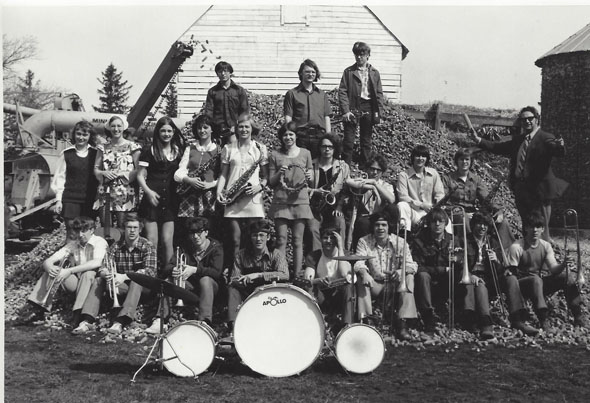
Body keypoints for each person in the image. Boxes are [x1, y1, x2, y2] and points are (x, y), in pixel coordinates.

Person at [470, 106, 568, 242]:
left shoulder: (546, 138)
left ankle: (546, 258)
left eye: (530, 119)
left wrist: (560, 146)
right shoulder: (518, 140)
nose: (527, 122)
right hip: (522, 189)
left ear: (537, 119)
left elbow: (557, 151)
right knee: (527, 227)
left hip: (539, 191)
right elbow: (498, 148)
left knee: (541, 230)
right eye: (523, 119)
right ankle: (528, 257)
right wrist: (479, 140)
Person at [72, 213, 158, 335]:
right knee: (98, 280)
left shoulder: (147, 246)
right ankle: (87, 320)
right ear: (124, 228)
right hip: (121, 286)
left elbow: (150, 271)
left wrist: (125, 276)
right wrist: (105, 273)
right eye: (129, 227)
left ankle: (120, 321)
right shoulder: (116, 246)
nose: (132, 231)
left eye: (135, 228)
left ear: (140, 229)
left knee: (137, 279)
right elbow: (103, 266)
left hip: (144, 288)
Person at [505, 213, 585, 331]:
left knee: (565, 276)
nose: (535, 230)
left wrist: (563, 264)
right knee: (536, 280)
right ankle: (543, 318)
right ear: (526, 228)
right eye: (532, 226)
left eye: (538, 227)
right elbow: (511, 275)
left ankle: (578, 314)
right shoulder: (517, 247)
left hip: (538, 284)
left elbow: (553, 269)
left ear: (543, 229)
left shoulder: (545, 246)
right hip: (522, 286)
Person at [23, 217, 108, 326]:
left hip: (96, 285)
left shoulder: (99, 241)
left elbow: (96, 263)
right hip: (78, 284)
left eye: (84, 231)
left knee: (88, 273)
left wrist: (69, 271)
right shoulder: (74, 244)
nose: (80, 234)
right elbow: (49, 260)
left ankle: (78, 312)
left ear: (91, 230)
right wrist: (49, 267)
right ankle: (39, 306)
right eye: (78, 231)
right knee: (54, 270)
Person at [465, 212, 539, 336]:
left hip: (490, 277)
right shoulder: (465, 240)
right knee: (481, 285)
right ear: (473, 225)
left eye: (485, 225)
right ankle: (486, 324)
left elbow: (500, 269)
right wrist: (469, 274)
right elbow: (459, 264)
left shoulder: (493, 241)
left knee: (511, 279)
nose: (482, 227)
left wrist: (496, 261)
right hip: (474, 278)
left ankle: (518, 319)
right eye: (479, 224)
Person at [148, 217, 224, 333]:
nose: (196, 236)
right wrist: (174, 270)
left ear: (206, 232)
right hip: (190, 287)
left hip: (210, 288)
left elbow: (217, 273)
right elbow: (167, 267)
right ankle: (160, 319)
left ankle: (204, 322)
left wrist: (195, 270)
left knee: (206, 280)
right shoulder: (185, 247)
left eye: (199, 232)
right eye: (192, 233)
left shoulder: (216, 248)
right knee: (169, 280)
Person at [216, 114, 269, 269]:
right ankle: (235, 271)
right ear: (236, 129)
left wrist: (259, 187)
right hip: (233, 198)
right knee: (235, 240)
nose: (244, 129)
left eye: (247, 126)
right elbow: (224, 174)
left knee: (255, 239)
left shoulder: (260, 148)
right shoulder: (228, 149)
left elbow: (266, 177)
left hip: (253, 198)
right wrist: (219, 192)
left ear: (252, 129)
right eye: (241, 126)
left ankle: (254, 270)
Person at [354, 211, 417, 340]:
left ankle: (403, 323)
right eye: (377, 225)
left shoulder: (400, 241)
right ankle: (367, 321)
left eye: (384, 225)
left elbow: (412, 265)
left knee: (409, 277)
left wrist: (400, 272)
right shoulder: (364, 241)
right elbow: (358, 261)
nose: (380, 228)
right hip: (375, 283)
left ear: (389, 227)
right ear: (373, 226)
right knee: (361, 279)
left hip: (395, 284)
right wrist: (365, 273)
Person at [136, 116, 186, 273]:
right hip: (152, 199)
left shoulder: (178, 151)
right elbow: (139, 175)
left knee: (167, 240)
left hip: (170, 200)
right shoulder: (148, 150)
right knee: (152, 241)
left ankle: (169, 274)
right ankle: (152, 274)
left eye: (169, 131)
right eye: (163, 130)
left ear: (173, 132)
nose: (166, 134)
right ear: (157, 132)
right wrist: (148, 192)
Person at [442, 148, 515, 250]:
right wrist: (461, 212)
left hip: (473, 214)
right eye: (461, 159)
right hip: (455, 213)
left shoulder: (476, 180)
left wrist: (498, 211)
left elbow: (486, 198)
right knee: (462, 216)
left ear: (471, 161)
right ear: (456, 161)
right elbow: (443, 202)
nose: (464, 162)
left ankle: (509, 254)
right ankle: (471, 250)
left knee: (502, 222)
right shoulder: (447, 178)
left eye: (467, 159)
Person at [268, 122, 314, 277]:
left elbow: (311, 179)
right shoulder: (275, 155)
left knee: (297, 240)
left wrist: (309, 175)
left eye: (291, 134)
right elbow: (271, 182)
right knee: (281, 240)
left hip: (300, 201)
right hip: (281, 202)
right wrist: (278, 173)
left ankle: (296, 276)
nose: (288, 137)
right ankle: (281, 274)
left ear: (296, 136)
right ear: (281, 137)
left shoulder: (306, 153)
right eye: (285, 135)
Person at [226, 220, 289, 331]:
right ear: (250, 238)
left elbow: (285, 275)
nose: (258, 239)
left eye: (261, 235)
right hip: (246, 291)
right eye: (255, 235)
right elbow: (233, 278)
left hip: (268, 294)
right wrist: (240, 280)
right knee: (232, 289)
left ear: (268, 237)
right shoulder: (241, 255)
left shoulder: (276, 254)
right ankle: (234, 326)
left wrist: (259, 275)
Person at [307, 134, 367, 252]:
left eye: (330, 146)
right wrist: (315, 191)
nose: (327, 149)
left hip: (335, 206)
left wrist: (371, 184)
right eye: (324, 146)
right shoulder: (311, 165)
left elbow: (346, 186)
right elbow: (303, 188)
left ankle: (341, 256)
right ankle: (317, 259)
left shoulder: (342, 166)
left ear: (335, 149)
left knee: (340, 223)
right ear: (319, 148)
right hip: (315, 207)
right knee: (313, 228)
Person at [301, 225, 354, 334]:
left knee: (349, 287)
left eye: (332, 238)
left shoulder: (346, 254)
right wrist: (319, 280)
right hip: (322, 295)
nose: (329, 241)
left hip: (339, 296)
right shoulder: (314, 255)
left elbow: (344, 274)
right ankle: (311, 322)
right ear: (320, 239)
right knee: (309, 287)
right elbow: (308, 279)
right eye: (325, 238)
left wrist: (340, 247)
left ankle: (347, 325)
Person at [338, 41, 384, 165]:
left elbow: (379, 94)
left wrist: (379, 113)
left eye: (362, 54)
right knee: (348, 140)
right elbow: (342, 91)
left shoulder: (374, 73)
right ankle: (345, 168)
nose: (359, 57)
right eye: (357, 54)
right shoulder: (348, 72)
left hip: (368, 106)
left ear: (368, 55)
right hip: (353, 106)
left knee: (366, 140)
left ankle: (366, 169)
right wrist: (346, 111)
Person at [93, 115, 141, 228]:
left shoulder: (133, 147)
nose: (116, 129)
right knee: (106, 229)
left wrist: (123, 175)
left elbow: (139, 170)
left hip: (125, 193)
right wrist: (103, 173)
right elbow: (96, 169)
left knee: (123, 227)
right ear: (109, 128)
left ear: (124, 127)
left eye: (119, 126)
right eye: (113, 126)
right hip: (105, 193)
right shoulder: (102, 147)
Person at [411, 207, 454, 333]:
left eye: (440, 221)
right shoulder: (419, 241)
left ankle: (464, 314)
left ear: (445, 223)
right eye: (434, 221)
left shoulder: (453, 240)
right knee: (423, 275)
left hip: (447, 282)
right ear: (428, 224)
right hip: (426, 284)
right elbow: (418, 266)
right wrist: (441, 270)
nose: (437, 224)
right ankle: (427, 316)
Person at [51, 121, 99, 231]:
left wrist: (98, 197)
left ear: (90, 136)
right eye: (78, 134)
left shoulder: (96, 154)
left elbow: (100, 178)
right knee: (72, 233)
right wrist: (59, 200)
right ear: (74, 135)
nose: (81, 137)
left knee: (87, 234)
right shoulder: (66, 154)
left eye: (85, 134)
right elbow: (60, 177)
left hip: (89, 200)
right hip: (70, 199)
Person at [174, 114, 221, 221]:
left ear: (212, 129)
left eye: (205, 127)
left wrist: (211, 184)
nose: (202, 130)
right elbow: (179, 172)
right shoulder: (190, 148)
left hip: (209, 195)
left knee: (208, 226)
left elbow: (224, 176)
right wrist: (189, 180)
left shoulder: (219, 150)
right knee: (189, 226)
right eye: (199, 127)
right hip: (190, 194)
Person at [284, 59, 332, 159]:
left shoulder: (322, 95)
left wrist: (328, 137)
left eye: (313, 72)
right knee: (300, 165)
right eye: (307, 71)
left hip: (318, 137)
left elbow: (326, 117)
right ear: (301, 73)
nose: (310, 74)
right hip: (300, 136)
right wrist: (290, 135)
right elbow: (288, 117)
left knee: (317, 167)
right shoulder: (292, 94)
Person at [349, 153, 397, 249]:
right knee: (363, 223)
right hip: (365, 217)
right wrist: (367, 185)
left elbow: (391, 199)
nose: (374, 172)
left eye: (378, 170)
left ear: (382, 172)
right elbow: (350, 182)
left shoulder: (386, 185)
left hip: (380, 217)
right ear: (367, 169)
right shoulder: (362, 181)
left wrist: (375, 184)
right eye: (372, 169)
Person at [397, 145, 445, 231]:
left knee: (445, 216)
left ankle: (449, 241)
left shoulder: (433, 173)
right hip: (413, 212)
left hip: (431, 213)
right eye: (417, 156)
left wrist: (437, 205)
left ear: (427, 159)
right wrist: (421, 205)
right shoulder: (403, 175)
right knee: (402, 205)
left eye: (423, 156)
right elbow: (403, 197)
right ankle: (405, 235)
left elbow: (439, 193)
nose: (420, 158)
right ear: (413, 158)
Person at [204, 61, 250, 145]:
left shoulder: (239, 90)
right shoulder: (213, 92)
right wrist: (214, 127)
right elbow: (209, 112)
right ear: (217, 74)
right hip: (217, 132)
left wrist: (236, 126)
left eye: (225, 71)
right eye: (220, 72)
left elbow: (245, 111)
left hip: (235, 131)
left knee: (233, 153)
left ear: (230, 73)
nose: (223, 74)